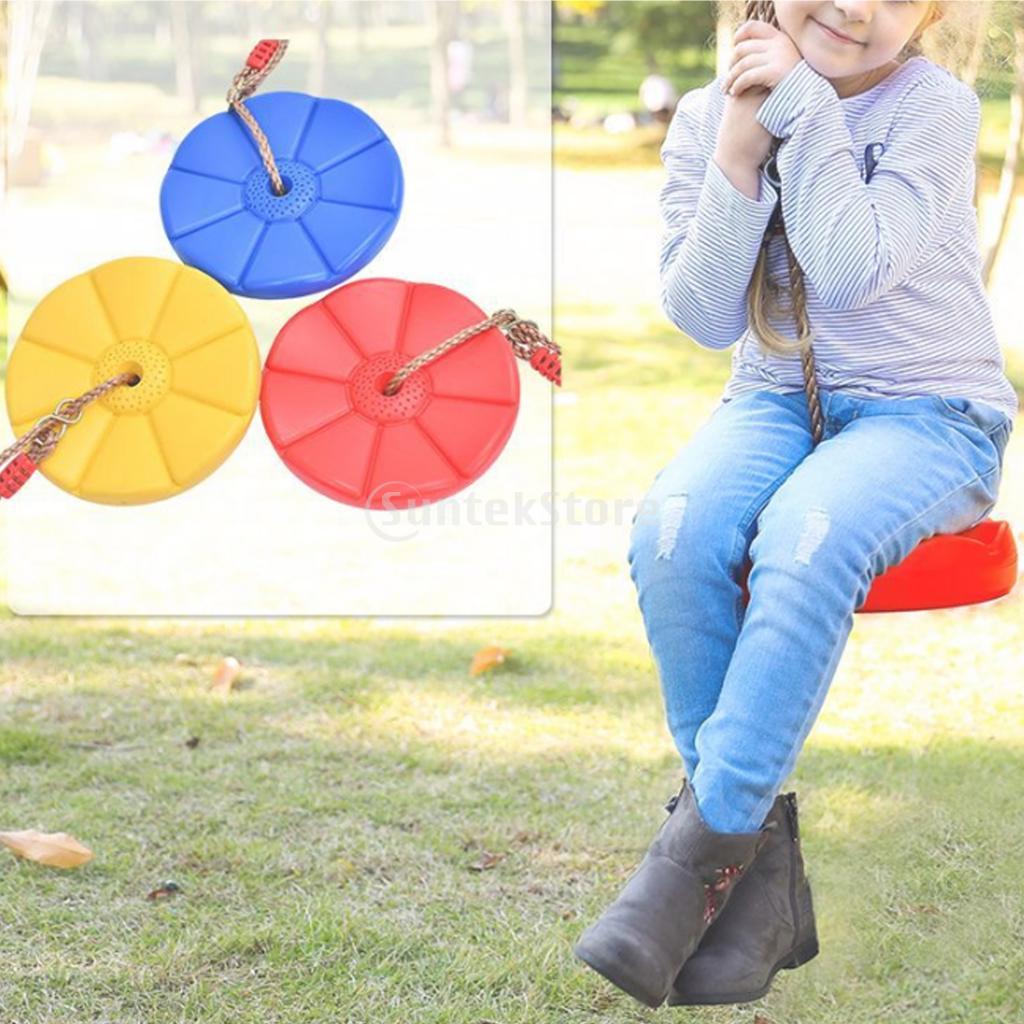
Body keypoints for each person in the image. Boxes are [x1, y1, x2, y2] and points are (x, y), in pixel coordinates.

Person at [574, 0, 1016, 1010]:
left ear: (935, 13)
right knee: (673, 531)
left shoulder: (932, 107)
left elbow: (852, 271)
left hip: (929, 411)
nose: (857, 8)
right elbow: (697, 314)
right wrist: (736, 150)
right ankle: (755, 881)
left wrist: (806, 112)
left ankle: (689, 866)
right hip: (774, 398)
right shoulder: (706, 112)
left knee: (805, 538)